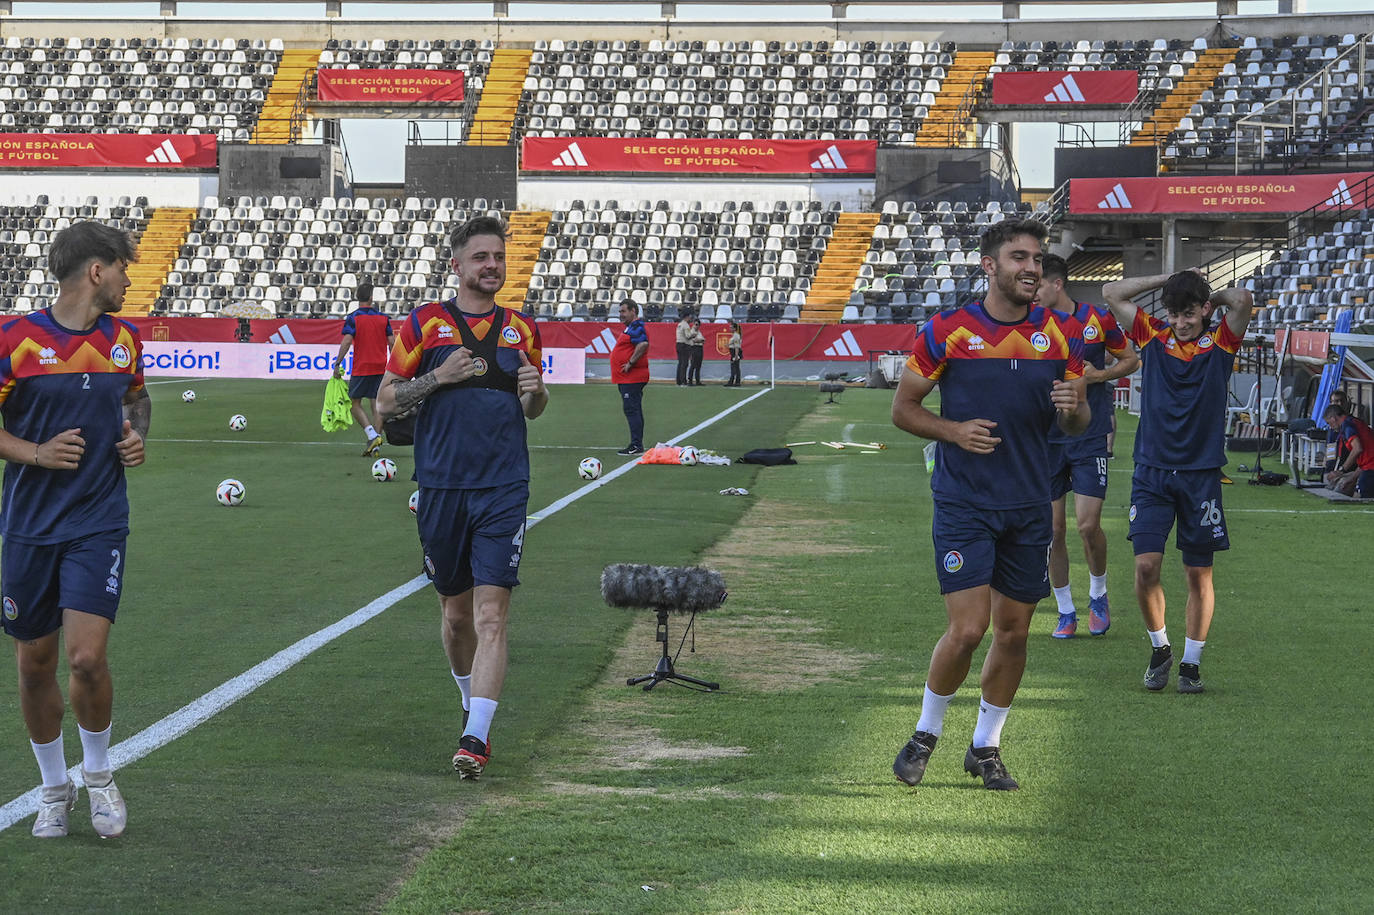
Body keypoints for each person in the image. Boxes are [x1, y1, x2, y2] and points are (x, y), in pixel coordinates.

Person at [890, 219, 1088, 791]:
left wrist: (1075, 404)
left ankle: (986, 747)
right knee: (969, 628)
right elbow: (904, 409)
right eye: (1019, 257)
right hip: (964, 503)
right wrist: (952, 430)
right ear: (989, 266)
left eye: (1037, 258)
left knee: (1014, 634)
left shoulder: (1061, 334)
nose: (1031, 268)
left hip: (1030, 505)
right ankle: (926, 733)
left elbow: (1076, 420)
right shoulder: (947, 331)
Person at [376, 216, 548, 779]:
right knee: (455, 618)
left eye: (498, 256)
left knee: (492, 614)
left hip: (504, 486)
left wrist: (537, 393)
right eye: (480, 257)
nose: (491, 265)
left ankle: (476, 736)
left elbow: (533, 407)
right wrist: (438, 378)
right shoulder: (425, 324)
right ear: (457, 264)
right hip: (441, 486)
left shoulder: (521, 328)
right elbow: (387, 402)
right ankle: (470, 700)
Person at [0, 221, 150, 838]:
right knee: (35, 664)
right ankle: (52, 788)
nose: (128, 280)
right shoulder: (15, 339)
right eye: (123, 269)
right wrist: (35, 452)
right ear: (97, 270)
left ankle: (97, 777)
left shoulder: (125, 339)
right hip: (29, 526)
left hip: (98, 520)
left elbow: (137, 399)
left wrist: (138, 433)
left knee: (86, 658)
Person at [1102, 269, 1255, 694]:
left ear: (1204, 311)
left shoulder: (1222, 341)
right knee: (1146, 566)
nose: (1181, 322)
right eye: (1174, 314)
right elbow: (1112, 290)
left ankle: (1191, 663)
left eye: (1189, 314)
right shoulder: (1153, 335)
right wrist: (1171, 277)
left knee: (1197, 574)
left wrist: (1209, 295)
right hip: (1151, 472)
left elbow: (1242, 299)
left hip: (1201, 476)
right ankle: (1160, 648)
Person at [1035, 254, 1140, 639]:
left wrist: (1099, 376)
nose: (1033, 291)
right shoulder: (1033, 325)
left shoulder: (1097, 319)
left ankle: (1098, 593)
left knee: (1087, 525)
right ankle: (1065, 609)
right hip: (1045, 439)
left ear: (1056, 283)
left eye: (1039, 283)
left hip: (1089, 435)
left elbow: (1131, 360)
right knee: (1053, 530)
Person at [334, 279, 394, 456]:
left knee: (353, 403)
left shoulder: (354, 318)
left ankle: (371, 434)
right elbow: (392, 342)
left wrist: (338, 362)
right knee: (376, 404)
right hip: (381, 365)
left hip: (362, 366)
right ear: (371, 297)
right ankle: (375, 445)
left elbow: (346, 341)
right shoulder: (383, 318)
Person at [611, 299, 649, 456]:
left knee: (632, 410)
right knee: (634, 409)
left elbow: (643, 344)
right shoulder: (630, 328)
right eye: (620, 312)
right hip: (627, 378)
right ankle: (637, 443)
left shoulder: (636, 326)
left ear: (633, 311)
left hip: (631, 378)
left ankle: (636, 445)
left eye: (623, 311)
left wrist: (630, 363)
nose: (621, 315)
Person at [1323, 402, 1374, 497]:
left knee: (1359, 496)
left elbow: (1357, 449)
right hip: (1367, 467)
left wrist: (1341, 471)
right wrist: (1352, 477)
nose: (1330, 426)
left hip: (1370, 469)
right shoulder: (1353, 422)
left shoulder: (1347, 426)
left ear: (1333, 419)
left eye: (1328, 423)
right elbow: (1366, 460)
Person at [675, 310, 694, 386]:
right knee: (684, 363)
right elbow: (688, 336)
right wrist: (693, 335)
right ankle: (683, 381)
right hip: (684, 345)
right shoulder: (686, 325)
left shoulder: (679, 324)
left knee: (680, 363)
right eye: (689, 317)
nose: (690, 318)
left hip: (678, 344)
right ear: (687, 317)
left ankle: (678, 381)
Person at [686, 316, 705, 386]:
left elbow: (703, 341)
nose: (696, 326)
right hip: (694, 348)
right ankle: (690, 380)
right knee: (693, 365)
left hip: (700, 348)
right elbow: (694, 340)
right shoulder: (691, 331)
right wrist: (700, 340)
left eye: (697, 325)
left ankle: (698, 381)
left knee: (698, 366)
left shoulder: (699, 332)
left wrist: (700, 340)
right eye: (695, 324)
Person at [725, 321, 743, 387]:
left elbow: (736, 346)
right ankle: (734, 381)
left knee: (735, 367)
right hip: (733, 352)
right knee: (735, 367)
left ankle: (734, 381)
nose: (730, 329)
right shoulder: (735, 335)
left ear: (735, 329)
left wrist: (736, 355)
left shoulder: (736, 336)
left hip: (735, 353)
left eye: (731, 328)